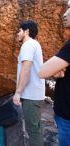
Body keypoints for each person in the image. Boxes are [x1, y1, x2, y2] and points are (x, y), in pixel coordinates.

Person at [38, 1, 70, 145]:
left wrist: (56, 69)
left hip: (67, 116)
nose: (65, 14)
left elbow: (42, 71)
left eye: (69, 9)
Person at [13, 20, 45, 146]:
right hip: (34, 94)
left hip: (31, 96)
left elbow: (26, 70)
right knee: (35, 127)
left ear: (26, 31)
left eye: (19, 30)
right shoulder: (34, 44)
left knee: (33, 130)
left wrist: (18, 93)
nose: (17, 33)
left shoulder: (28, 45)